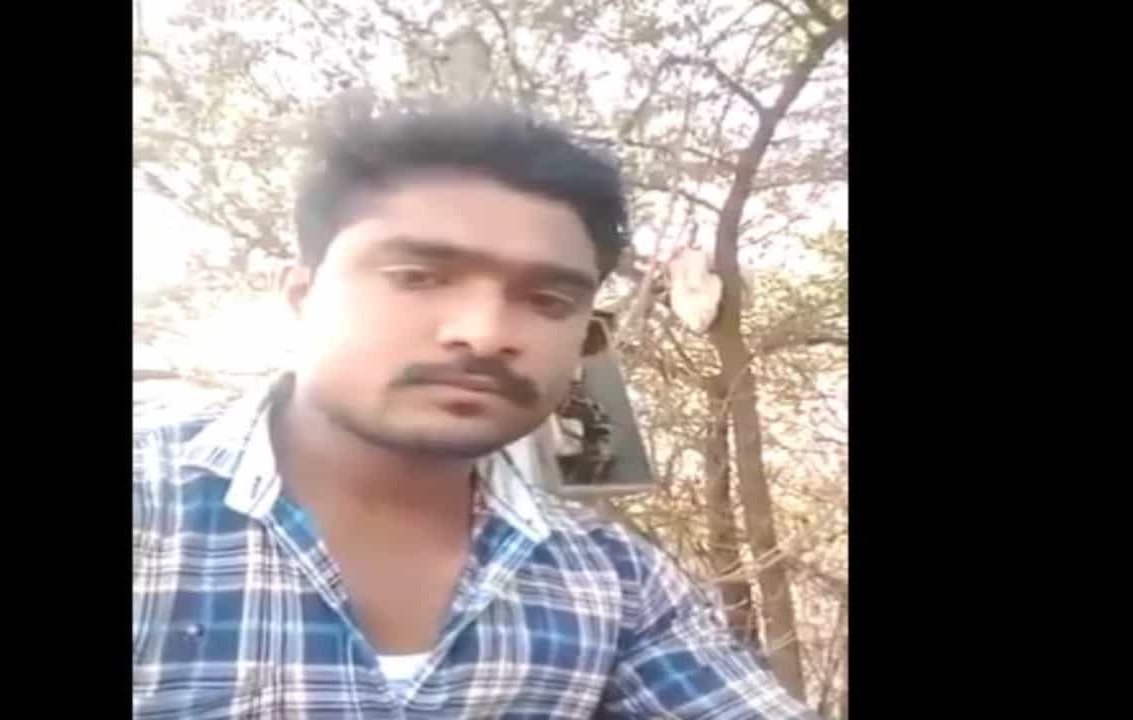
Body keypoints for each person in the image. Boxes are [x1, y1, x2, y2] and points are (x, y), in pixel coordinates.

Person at [132, 102, 817, 719]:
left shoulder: (613, 583)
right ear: (301, 294)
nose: (485, 334)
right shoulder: (151, 508)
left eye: (548, 300)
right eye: (417, 277)